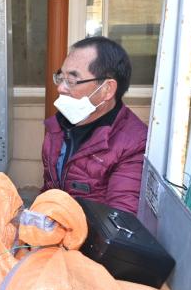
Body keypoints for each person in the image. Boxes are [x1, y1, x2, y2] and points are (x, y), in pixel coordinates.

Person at [42, 36, 147, 214]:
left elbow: (120, 219)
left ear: (107, 89)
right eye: (60, 77)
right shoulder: (58, 128)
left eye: (72, 80)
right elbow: (49, 191)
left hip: (92, 232)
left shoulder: (135, 144)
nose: (60, 88)